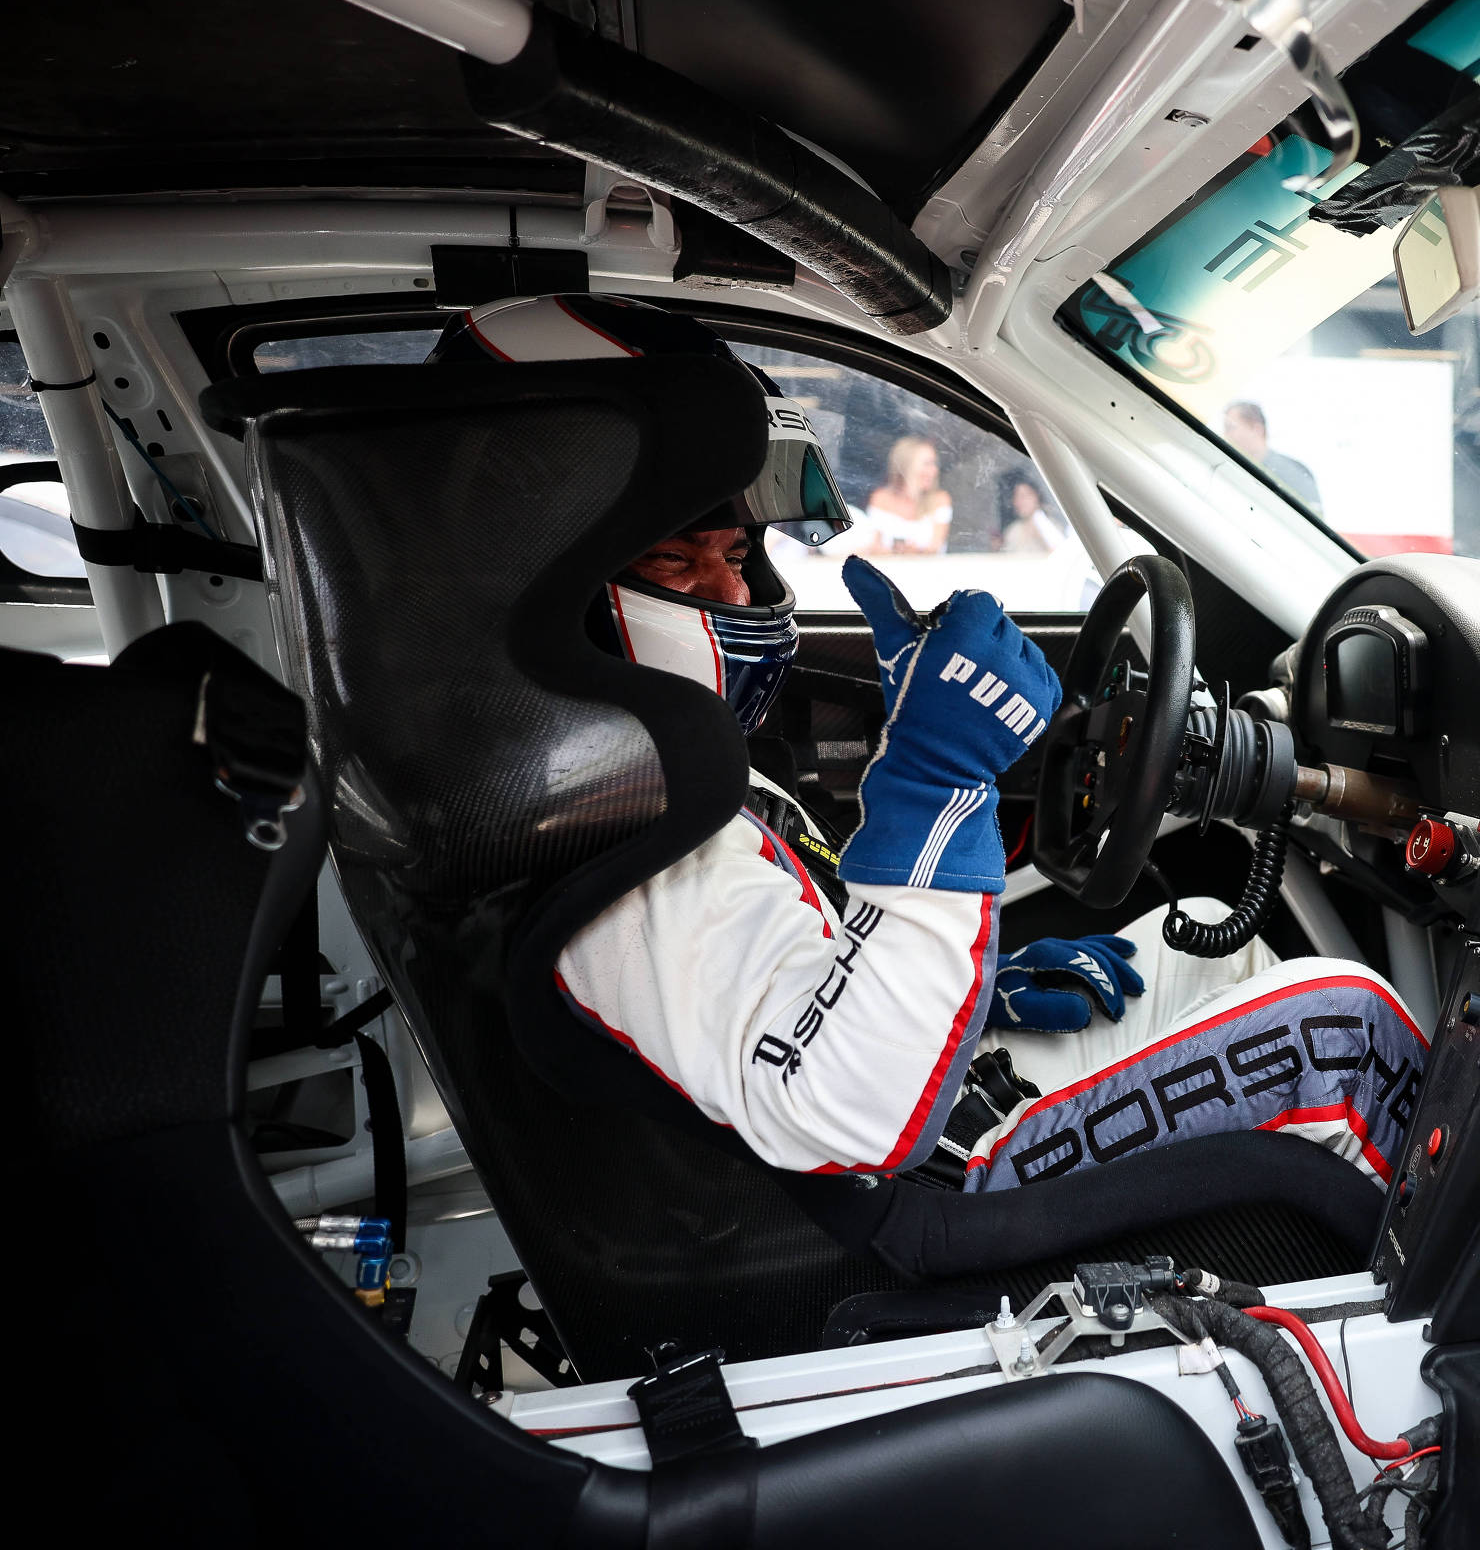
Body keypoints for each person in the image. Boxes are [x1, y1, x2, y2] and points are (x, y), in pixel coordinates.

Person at [432, 294, 1426, 1191]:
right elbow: (846, 1112)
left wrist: (976, 999)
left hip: (928, 1101)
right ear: (543, 561)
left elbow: (785, 984)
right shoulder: (604, 846)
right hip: (930, 1197)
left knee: (1209, 941)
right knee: (1343, 1032)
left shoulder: (622, 776)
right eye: (677, 561)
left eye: (735, 555)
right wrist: (936, 778)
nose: (734, 595)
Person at [1221, 400, 1322, 511]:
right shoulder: (1235, 469)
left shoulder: (1292, 472)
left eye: (1231, 427)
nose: (1226, 435)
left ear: (1256, 429)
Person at [860, 434, 953, 554]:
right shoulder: (880, 498)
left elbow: (936, 546)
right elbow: (873, 547)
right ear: (906, 466)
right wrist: (893, 553)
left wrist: (917, 552)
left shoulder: (940, 500)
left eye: (934, 464)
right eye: (927, 464)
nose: (934, 470)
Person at [1000, 477, 1067, 555]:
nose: (1019, 501)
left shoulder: (1051, 526)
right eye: (1016, 496)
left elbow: (1060, 554)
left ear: (1037, 497)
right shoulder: (1013, 531)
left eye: (1025, 495)